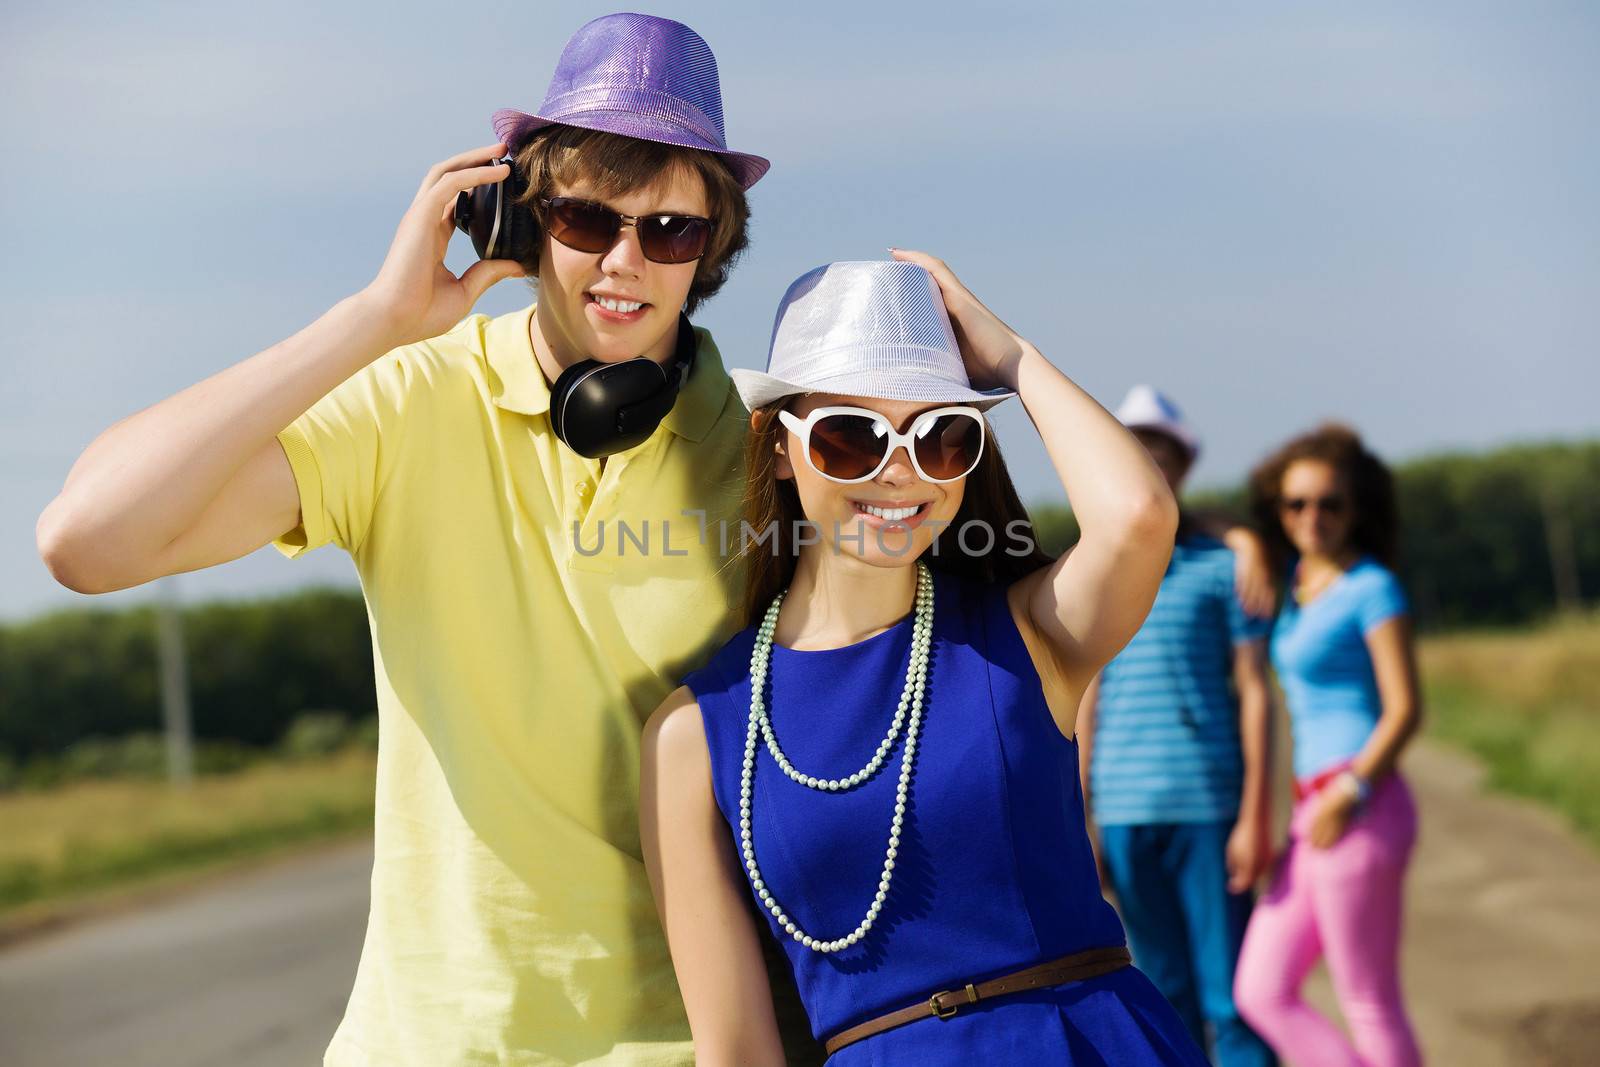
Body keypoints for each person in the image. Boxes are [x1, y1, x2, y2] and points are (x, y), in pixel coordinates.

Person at [35, 13, 825, 1065]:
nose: (626, 261)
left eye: (670, 230)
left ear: (712, 245)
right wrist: (376, 317)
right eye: (588, 219)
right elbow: (86, 540)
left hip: (682, 1045)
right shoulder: (405, 402)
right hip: (423, 1044)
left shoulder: (775, 454)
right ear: (517, 217)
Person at [640, 256, 1210, 1064]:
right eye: (849, 436)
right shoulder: (695, 733)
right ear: (776, 446)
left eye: (942, 435)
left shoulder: (1023, 637)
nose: (899, 470)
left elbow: (1138, 515)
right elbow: (735, 1048)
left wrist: (1009, 356)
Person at [1076, 385, 1278, 1066]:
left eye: (1160, 460)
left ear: (1182, 470)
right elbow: (1087, 696)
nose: (1148, 472)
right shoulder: (1097, 574)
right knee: (1163, 992)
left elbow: (1256, 692)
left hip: (1210, 806)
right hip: (1126, 811)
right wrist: (1082, 816)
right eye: (1135, 457)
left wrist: (1256, 814)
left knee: (1235, 999)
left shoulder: (1224, 569)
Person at [1232, 424, 1424, 1067]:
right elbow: (1190, 519)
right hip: (1311, 813)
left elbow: (1404, 709)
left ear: (1356, 509)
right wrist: (1239, 539)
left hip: (1360, 803)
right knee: (1260, 990)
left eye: (1330, 504)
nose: (1313, 517)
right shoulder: (1290, 584)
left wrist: (1352, 789)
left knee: (1368, 998)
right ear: (1278, 510)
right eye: (1297, 504)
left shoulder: (1371, 587)